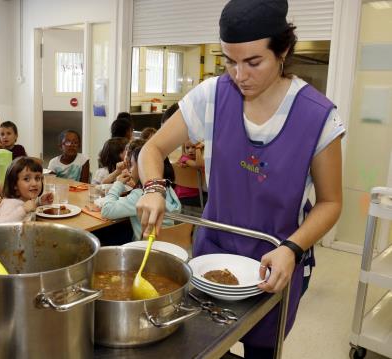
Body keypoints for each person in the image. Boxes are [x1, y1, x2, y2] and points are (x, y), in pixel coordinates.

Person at [135, 0, 344, 357]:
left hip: (276, 260)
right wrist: (154, 188)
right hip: (212, 253)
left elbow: (330, 202)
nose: (239, 75)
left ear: (283, 51)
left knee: (262, 348)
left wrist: (292, 249)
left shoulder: (318, 117)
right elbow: (151, 149)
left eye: (253, 62)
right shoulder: (212, 96)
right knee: (204, 344)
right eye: (230, 61)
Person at [101, 139, 181, 241]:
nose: (130, 169)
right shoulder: (168, 187)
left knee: (103, 234)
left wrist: (118, 183)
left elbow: (106, 211)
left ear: (142, 168)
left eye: (132, 164)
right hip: (167, 243)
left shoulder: (140, 195)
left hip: (145, 247)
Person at [0, 157, 53, 223]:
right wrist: (23, 210)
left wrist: (39, 202)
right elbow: (0, 225)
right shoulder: (9, 203)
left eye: (37, 178)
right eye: (26, 179)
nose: (34, 183)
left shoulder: (25, 199)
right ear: (14, 184)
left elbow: (27, 207)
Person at [174, 140, 206, 206]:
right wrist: (198, 148)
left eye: (193, 147)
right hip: (185, 196)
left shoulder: (199, 161)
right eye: (187, 148)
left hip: (195, 194)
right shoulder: (184, 158)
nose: (190, 150)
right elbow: (198, 165)